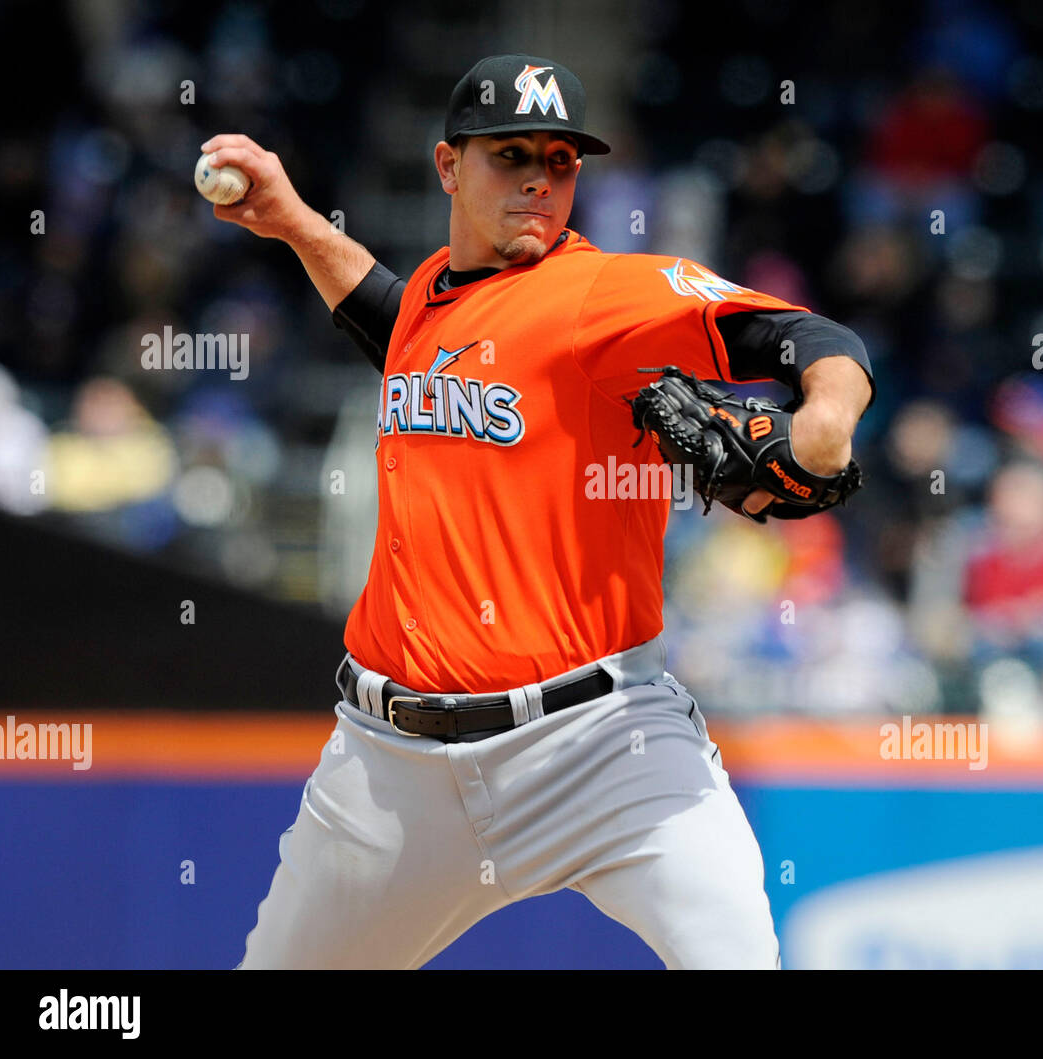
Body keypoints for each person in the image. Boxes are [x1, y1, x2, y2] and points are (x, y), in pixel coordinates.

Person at [206, 54, 874, 969]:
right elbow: (395, 323)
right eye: (509, 153)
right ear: (448, 167)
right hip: (389, 767)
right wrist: (289, 222)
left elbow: (806, 337)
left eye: (559, 161)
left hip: (605, 746)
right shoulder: (438, 301)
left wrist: (825, 419)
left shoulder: (601, 295)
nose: (536, 179)